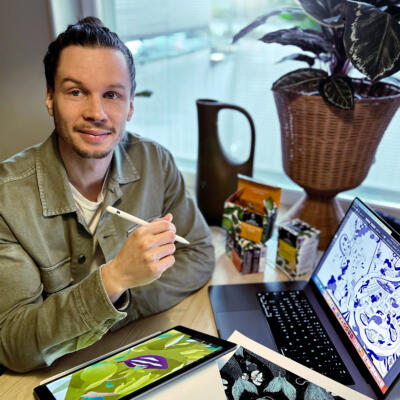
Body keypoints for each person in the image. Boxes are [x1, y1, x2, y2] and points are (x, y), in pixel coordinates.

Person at [0, 17, 214, 372]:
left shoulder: (155, 162)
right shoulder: (7, 199)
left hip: (132, 355)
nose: (96, 113)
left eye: (112, 95)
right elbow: (14, 344)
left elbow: (200, 254)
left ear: (130, 106)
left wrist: (115, 304)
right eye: (76, 92)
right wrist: (115, 279)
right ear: (50, 98)